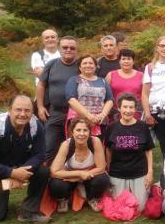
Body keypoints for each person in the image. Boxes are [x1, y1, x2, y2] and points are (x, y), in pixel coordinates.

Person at [0, 95, 50, 223]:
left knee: (43, 172)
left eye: (27, 110)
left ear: (32, 112)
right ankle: (5, 186)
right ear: (9, 110)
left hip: (19, 166)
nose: (23, 114)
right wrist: (13, 174)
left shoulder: (36, 126)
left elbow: (40, 154)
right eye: (18, 110)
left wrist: (23, 171)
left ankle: (29, 212)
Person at [104, 94, 155, 212]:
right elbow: (108, 149)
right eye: (125, 107)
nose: (128, 110)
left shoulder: (142, 127)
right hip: (117, 173)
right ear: (119, 108)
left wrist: (150, 172)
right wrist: (108, 169)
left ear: (135, 109)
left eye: (131, 107)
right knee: (120, 206)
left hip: (139, 173)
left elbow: (148, 150)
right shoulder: (111, 127)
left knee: (140, 208)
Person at [49, 117, 110, 212]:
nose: (82, 134)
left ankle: (92, 198)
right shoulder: (66, 145)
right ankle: (63, 199)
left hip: (89, 176)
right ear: (72, 132)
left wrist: (80, 177)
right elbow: (54, 171)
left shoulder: (95, 142)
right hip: (70, 177)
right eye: (78, 130)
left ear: (90, 132)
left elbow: (101, 168)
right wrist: (79, 174)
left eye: (85, 130)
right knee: (56, 184)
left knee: (102, 179)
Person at [36, 35, 80, 163]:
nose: (68, 50)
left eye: (72, 48)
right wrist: (40, 106)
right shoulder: (51, 64)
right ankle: (46, 178)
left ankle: (71, 178)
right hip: (54, 112)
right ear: (60, 48)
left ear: (76, 50)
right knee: (49, 146)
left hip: (75, 114)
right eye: (65, 47)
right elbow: (41, 85)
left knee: (74, 147)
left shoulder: (82, 65)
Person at [65, 55, 114, 137]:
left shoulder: (102, 81)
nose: (88, 65)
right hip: (79, 123)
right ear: (80, 67)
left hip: (99, 121)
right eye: (85, 63)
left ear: (95, 66)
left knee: (98, 146)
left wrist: (102, 115)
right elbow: (71, 100)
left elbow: (110, 100)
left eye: (91, 63)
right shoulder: (74, 80)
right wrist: (89, 116)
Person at [105, 48, 143, 119]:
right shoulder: (111, 75)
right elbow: (105, 95)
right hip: (115, 113)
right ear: (119, 61)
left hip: (136, 113)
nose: (126, 61)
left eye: (129, 59)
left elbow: (145, 95)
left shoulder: (141, 75)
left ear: (133, 61)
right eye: (123, 59)